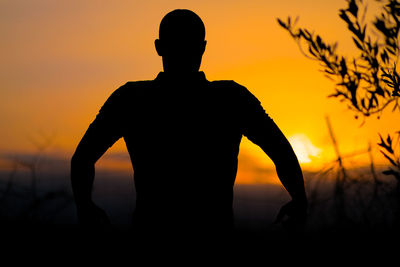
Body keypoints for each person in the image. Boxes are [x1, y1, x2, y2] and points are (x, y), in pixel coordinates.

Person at [70, 9, 307, 239]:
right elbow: (280, 149)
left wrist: (84, 205)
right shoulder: (231, 100)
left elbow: (82, 158)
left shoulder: (131, 99)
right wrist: (299, 198)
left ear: (158, 47)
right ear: (203, 48)